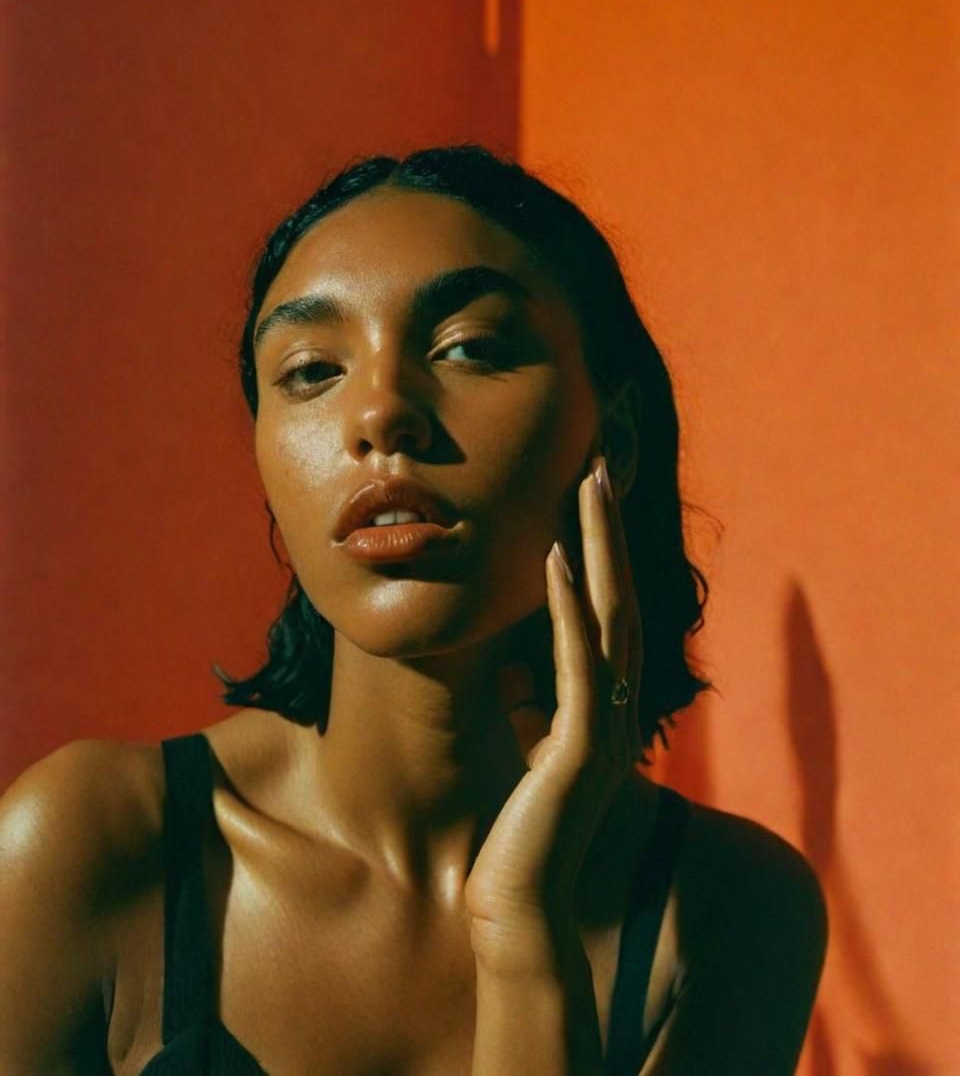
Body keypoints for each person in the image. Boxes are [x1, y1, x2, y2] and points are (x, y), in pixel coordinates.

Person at [0, 145, 827, 1074]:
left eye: (470, 347)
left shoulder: (730, 914)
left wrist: (524, 927)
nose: (382, 412)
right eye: (312, 371)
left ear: (616, 433)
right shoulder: (90, 849)